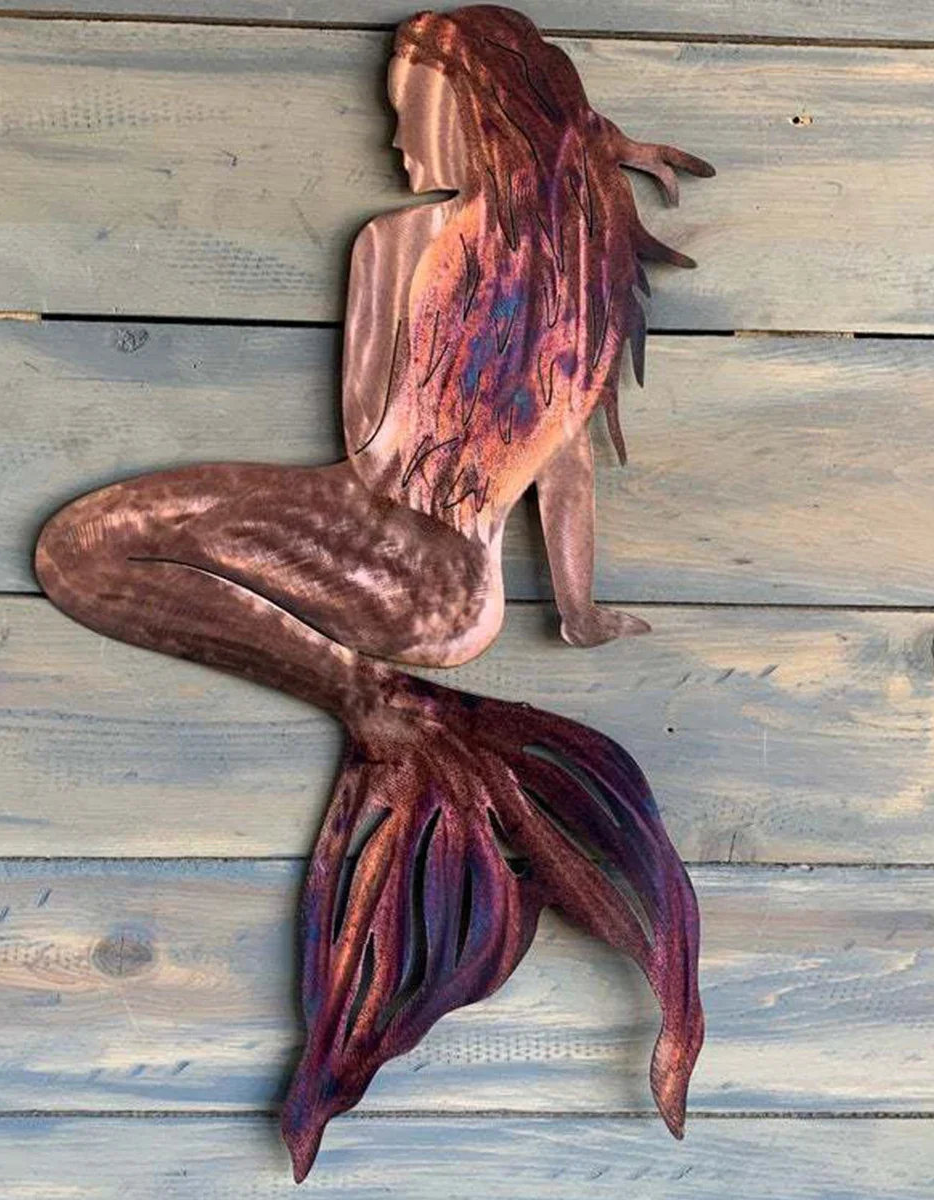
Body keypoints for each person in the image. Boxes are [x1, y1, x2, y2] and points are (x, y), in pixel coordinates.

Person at [35, 5, 713, 1181]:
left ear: (478, 114)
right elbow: (565, 467)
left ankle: (372, 701)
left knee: (82, 549)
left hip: (385, 550)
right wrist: (579, 612)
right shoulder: (576, 280)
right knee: (102, 543)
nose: (395, 137)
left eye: (411, 109)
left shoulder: (399, 243)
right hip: (461, 588)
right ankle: (383, 702)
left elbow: (370, 444)